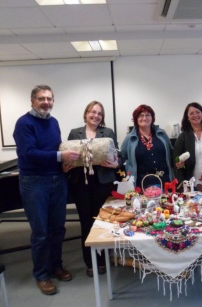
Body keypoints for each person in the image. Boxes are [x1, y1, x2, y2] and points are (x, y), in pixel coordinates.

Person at [13, 85, 80, 295]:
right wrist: (61, 157)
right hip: (34, 183)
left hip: (57, 180)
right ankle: (42, 275)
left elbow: (55, 150)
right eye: (41, 98)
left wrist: (64, 164)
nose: (46, 102)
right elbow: (29, 153)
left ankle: (56, 266)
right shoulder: (24, 123)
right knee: (41, 233)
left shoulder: (54, 122)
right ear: (32, 100)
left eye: (49, 99)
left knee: (58, 229)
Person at [67, 101, 119, 278]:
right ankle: (90, 262)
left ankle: (104, 258)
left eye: (99, 113)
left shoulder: (108, 133)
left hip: (103, 183)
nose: (96, 115)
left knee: (104, 222)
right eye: (92, 112)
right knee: (86, 223)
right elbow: (70, 156)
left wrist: (115, 163)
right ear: (86, 113)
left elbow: (117, 156)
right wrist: (67, 164)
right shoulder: (75, 133)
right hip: (81, 184)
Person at [119, 104, 174, 190]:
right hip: (141, 184)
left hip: (165, 182)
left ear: (152, 118)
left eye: (148, 115)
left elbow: (172, 153)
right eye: (141, 115)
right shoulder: (130, 138)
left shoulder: (162, 134)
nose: (144, 118)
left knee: (165, 203)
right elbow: (121, 157)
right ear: (136, 119)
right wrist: (115, 163)